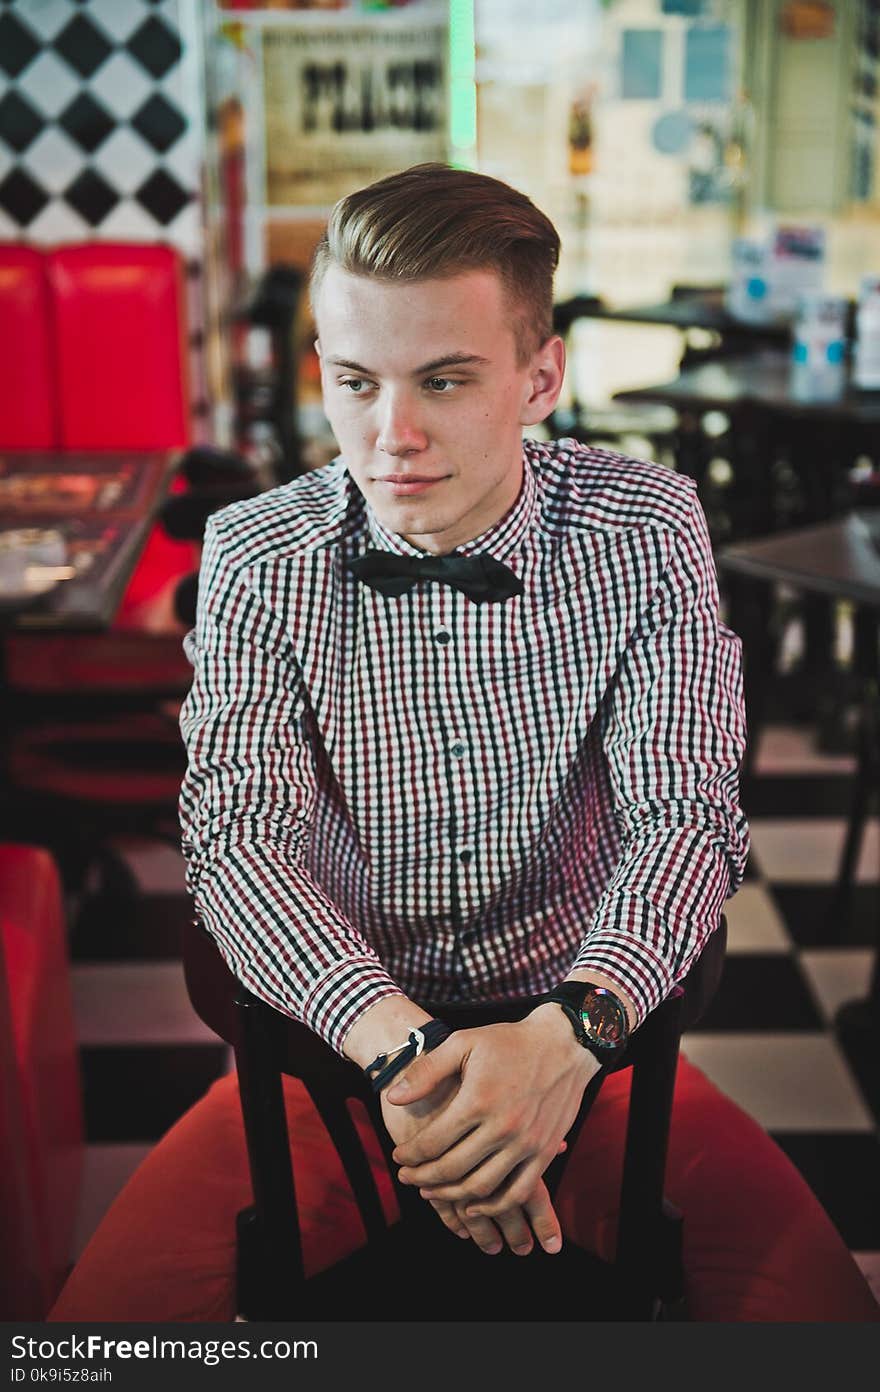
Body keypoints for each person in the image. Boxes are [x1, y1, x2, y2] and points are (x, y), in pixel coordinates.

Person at [178, 162, 750, 1265]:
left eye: (443, 381)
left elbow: (686, 813)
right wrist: (405, 1058)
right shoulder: (254, 551)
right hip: (337, 1020)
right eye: (355, 382)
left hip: (578, 998)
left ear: (540, 380)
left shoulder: (648, 527)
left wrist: (565, 1037)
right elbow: (236, 838)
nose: (390, 435)